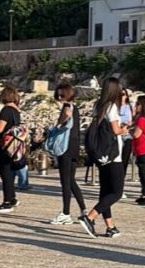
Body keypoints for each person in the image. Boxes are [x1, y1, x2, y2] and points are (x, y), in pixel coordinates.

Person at [79, 77, 129, 238]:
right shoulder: (111, 107)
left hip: (102, 155)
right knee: (116, 192)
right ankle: (90, 217)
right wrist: (124, 129)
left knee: (105, 191)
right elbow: (115, 130)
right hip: (113, 155)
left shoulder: (98, 105)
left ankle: (110, 226)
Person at [50, 83, 85, 224]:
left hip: (65, 147)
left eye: (62, 94)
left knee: (65, 181)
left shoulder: (67, 106)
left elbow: (66, 114)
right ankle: (83, 209)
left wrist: (58, 124)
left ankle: (66, 212)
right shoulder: (75, 107)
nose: (59, 97)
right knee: (71, 180)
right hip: (74, 147)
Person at [0, 86, 23, 214]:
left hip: (4, 145)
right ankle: (12, 197)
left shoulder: (6, 110)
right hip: (13, 146)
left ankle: (7, 202)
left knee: (5, 173)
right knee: (10, 172)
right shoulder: (16, 111)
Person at [118, 88, 134, 168]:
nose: (122, 96)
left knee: (125, 156)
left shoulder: (130, 106)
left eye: (123, 94)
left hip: (127, 133)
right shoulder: (114, 107)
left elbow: (132, 119)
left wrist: (130, 123)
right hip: (117, 133)